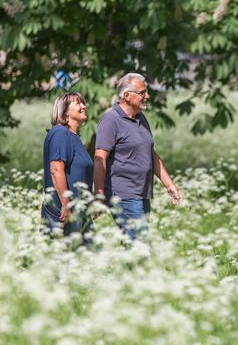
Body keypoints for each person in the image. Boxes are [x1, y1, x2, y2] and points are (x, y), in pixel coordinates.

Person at [93, 72, 183, 240]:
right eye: (142, 93)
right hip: (123, 194)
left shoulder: (141, 118)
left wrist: (170, 185)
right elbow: (100, 159)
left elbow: (151, 154)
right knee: (139, 247)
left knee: (136, 247)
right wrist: (98, 195)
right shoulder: (110, 120)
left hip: (142, 193)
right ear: (126, 96)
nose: (147, 96)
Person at [41, 92, 94, 240]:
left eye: (83, 103)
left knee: (88, 257)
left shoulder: (73, 137)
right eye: (78, 104)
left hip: (79, 211)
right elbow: (56, 170)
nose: (84, 106)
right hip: (64, 212)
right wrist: (66, 204)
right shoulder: (60, 133)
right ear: (65, 111)